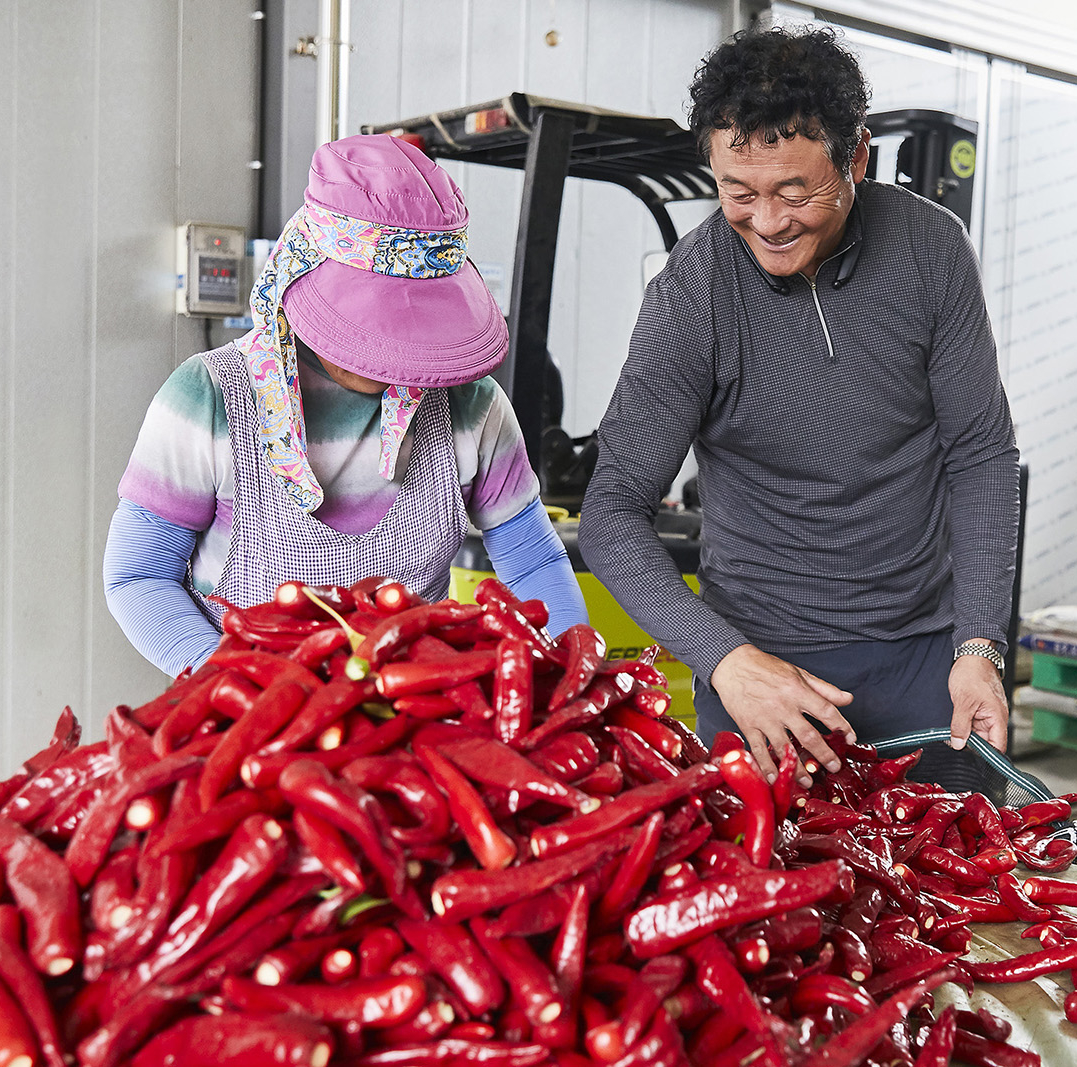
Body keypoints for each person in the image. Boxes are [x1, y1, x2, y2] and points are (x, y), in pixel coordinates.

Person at [578, 27, 1019, 791]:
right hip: (763, 676)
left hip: (929, 666)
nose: (769, 224)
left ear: (857, 158)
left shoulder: (931, 250)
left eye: (794, 191)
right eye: (738, 194)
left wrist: (979, 644)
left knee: (964, 902)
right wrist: (723, 659)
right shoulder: (693, 293)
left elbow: (980, 453)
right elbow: (612, 511)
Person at [105, 134, 589, 675]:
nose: (396, 361)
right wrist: (232, 681)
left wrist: (571, 676)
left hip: (408, 723)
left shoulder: (472, 407)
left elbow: (534, 561)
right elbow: (139, 576)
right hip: (243, 725)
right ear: (301, 271)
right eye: (377, 334)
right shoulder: (210, 399)